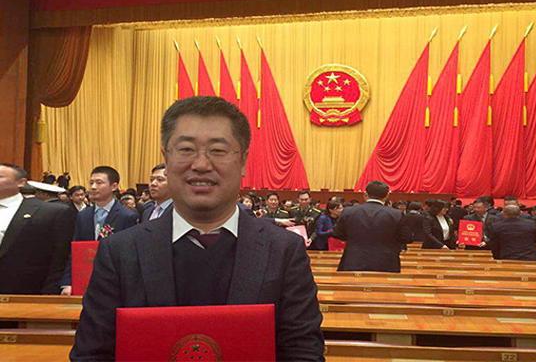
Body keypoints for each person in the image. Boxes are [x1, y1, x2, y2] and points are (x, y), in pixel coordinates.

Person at [70, 96, 324, 361]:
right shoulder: (119, 252)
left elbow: (303, 352)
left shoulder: (284, 250)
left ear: (243, 161)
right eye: (186, 149)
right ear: (166, 160)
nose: (201, 165)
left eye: (218, 150)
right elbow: (92, 353)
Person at [60, 166, 139, 296]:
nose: (93, 187)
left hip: (114, 283)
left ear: (113, 186)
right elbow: (75, 250)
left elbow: (130, 255)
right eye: (91, 183)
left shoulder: (127, 216)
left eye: (99, 183)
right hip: (84, 281)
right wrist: (68, 282)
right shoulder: (83, 215)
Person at [0, 163, 76, 294]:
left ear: (21, 182)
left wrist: (50, 292)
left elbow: (60, 258)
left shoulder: (50, 212)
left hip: (25, 293)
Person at [332, 180, 412, 272]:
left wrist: (352, 238)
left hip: (354, 259)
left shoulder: (348, 211)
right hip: (386, 262)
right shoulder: (396, 214)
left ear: (365, 194)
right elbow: (407, 238)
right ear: (387, 196)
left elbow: (336, 233)